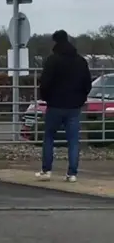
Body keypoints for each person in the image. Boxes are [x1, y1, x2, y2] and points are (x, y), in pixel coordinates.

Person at [36, 29, 92, 182]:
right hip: (74, 106)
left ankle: (46, 170)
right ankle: (72, 173)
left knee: (49, 137)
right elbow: (87, 83)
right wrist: (81, 98)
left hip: (55, 105)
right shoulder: (80, 61)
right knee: (73, 140)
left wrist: (46, 98)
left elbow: (45, 83)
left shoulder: (52, 60)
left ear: (55, 42)